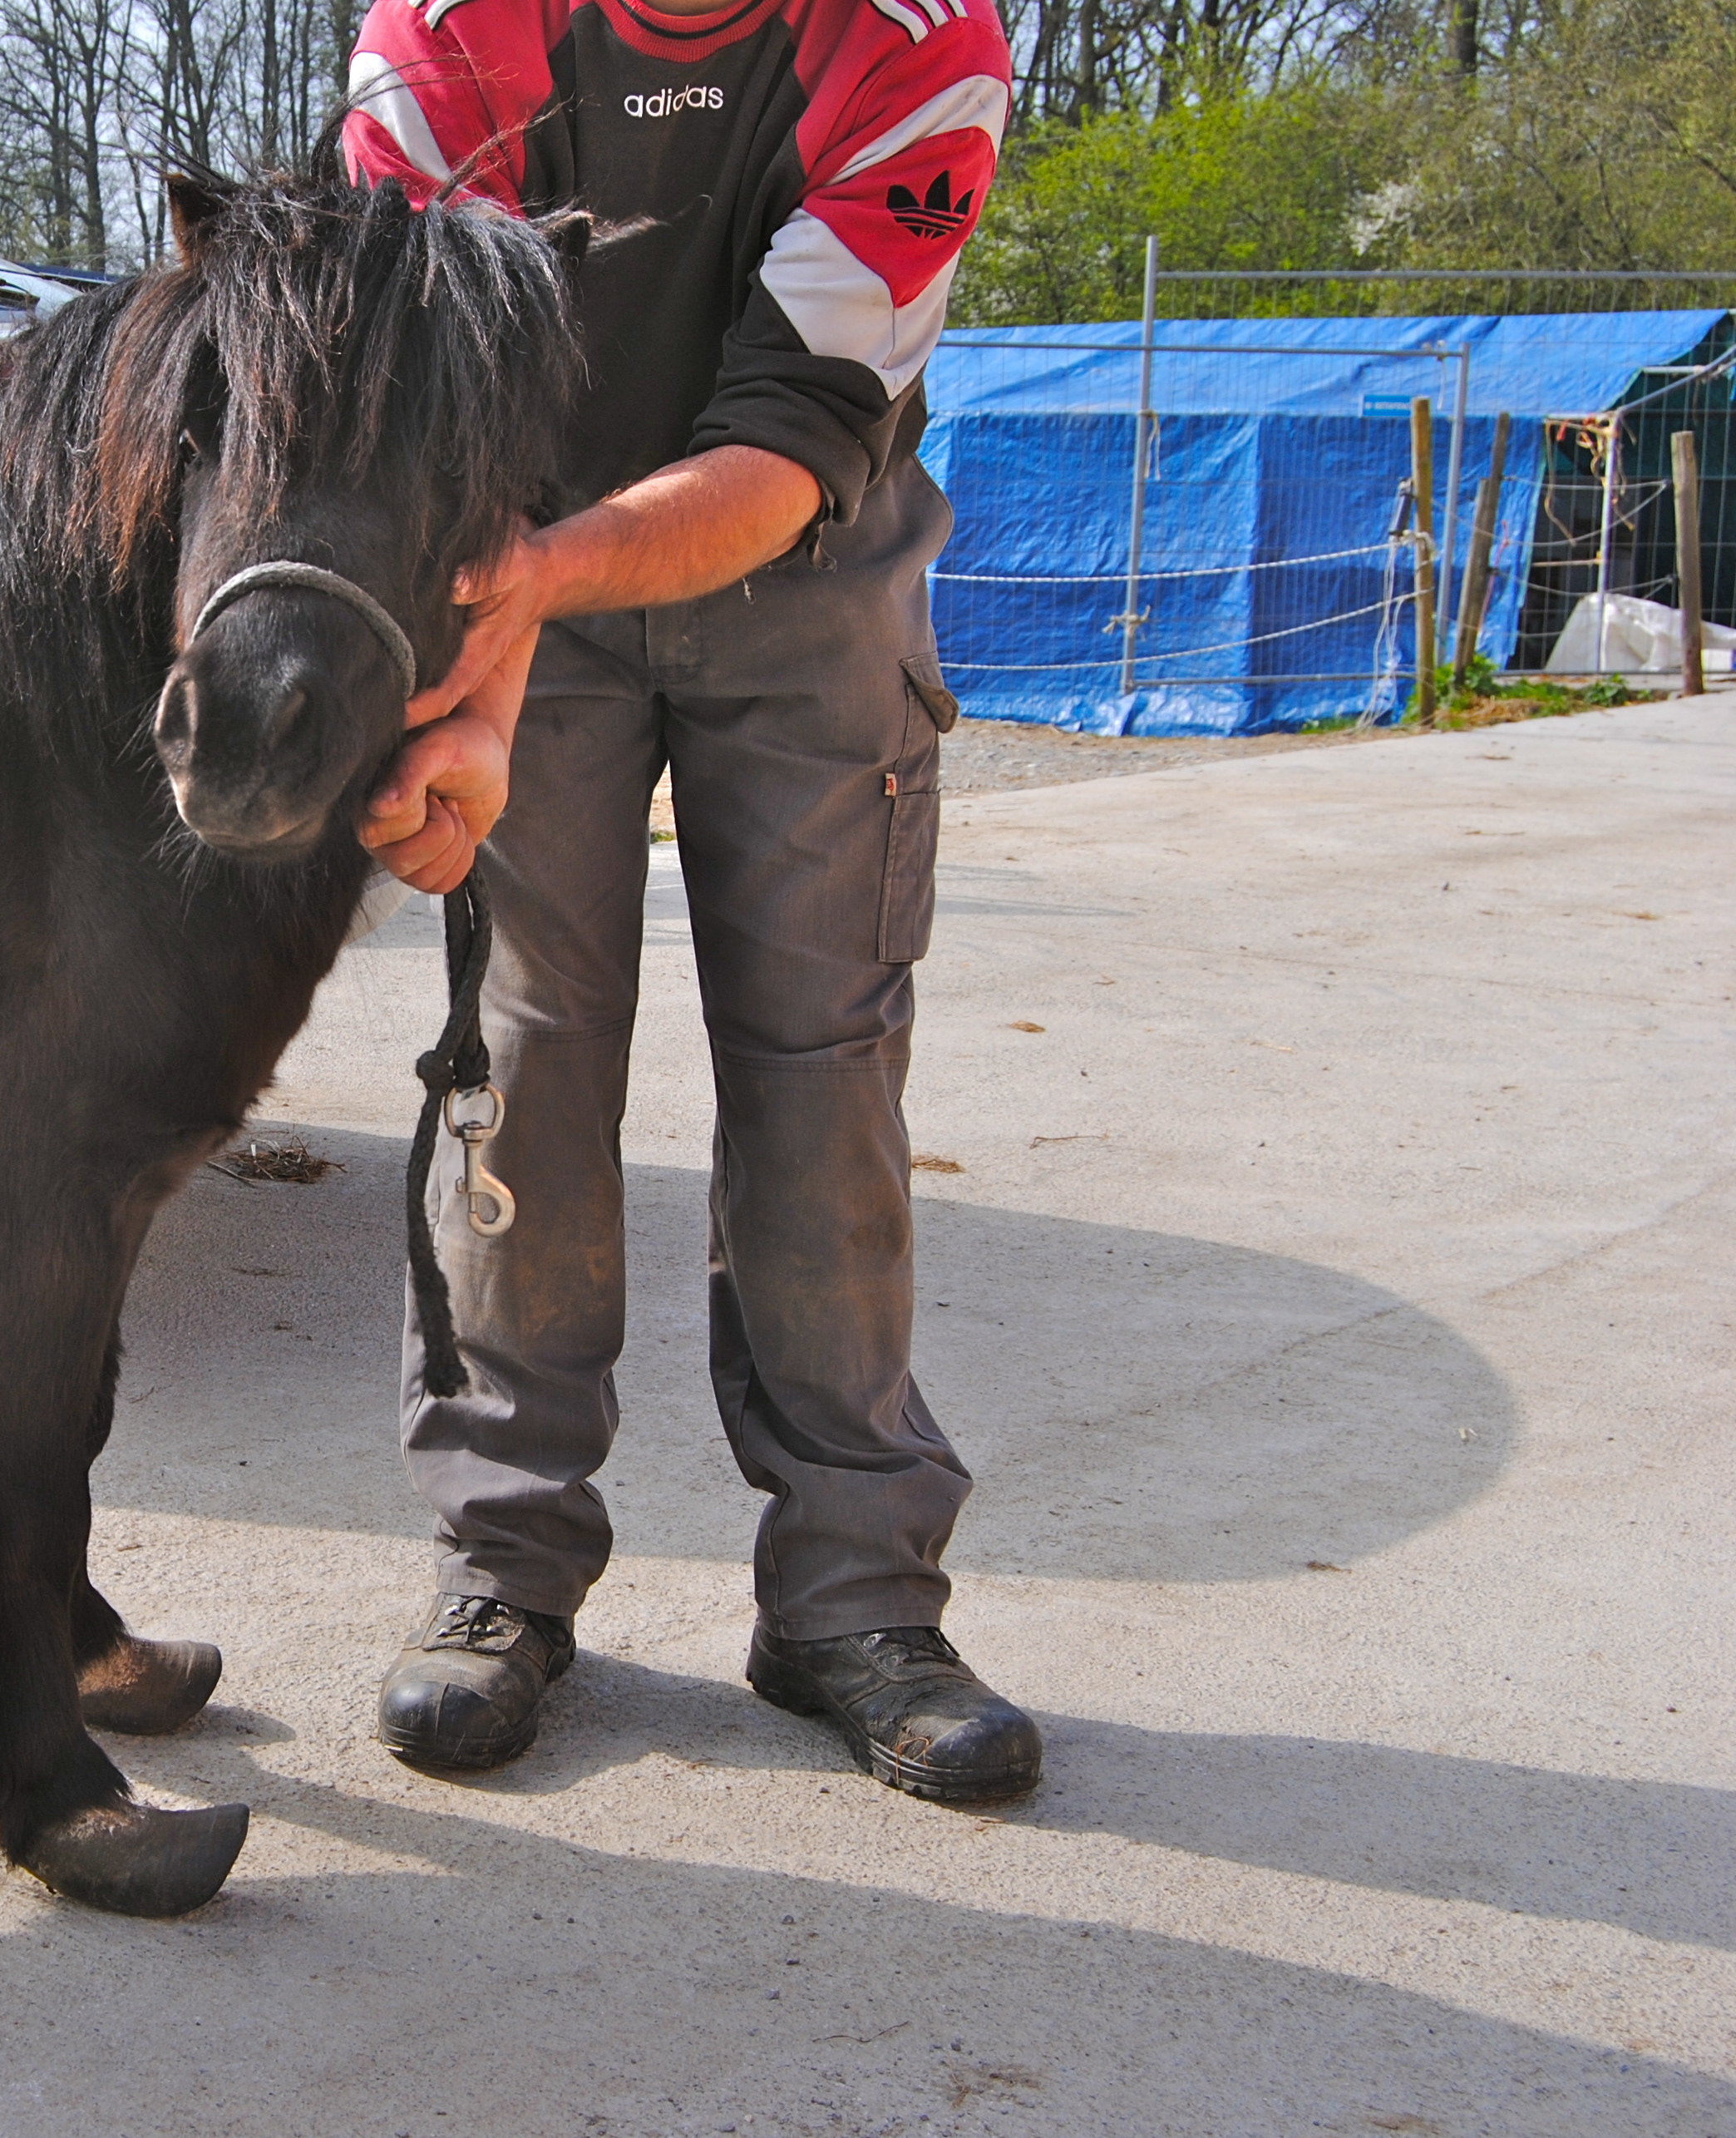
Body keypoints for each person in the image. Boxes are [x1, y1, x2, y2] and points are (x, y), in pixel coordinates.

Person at [341, 0, 1042, 1801]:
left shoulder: (917, 41)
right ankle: (502, 1563)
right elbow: (406, 390)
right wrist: (442, 678)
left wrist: (533, 586)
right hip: (509, 546)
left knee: (822, 1072)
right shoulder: (447, 35)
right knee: (523, 1061)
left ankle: (853, 1597)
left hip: (799, 557)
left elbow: (794, 432)